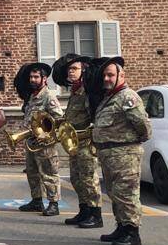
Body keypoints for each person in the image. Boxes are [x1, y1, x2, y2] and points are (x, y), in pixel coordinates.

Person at [92, 57, 151, 245]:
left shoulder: (128, 97)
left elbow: (143, 126)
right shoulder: (110, 97)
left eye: (111, 75)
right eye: (105, 75)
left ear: (121, 75)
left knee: (127, 194)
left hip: (125, 154)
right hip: (109, 155)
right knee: (115, 193)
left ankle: (132, 233)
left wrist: (133, 141)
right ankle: (121, 227)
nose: (107, 79)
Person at [53, 54, 103, 228]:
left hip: (86, 143)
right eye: (69, 69)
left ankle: (95, 214)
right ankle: (84, 210)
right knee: (75, 178)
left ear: (84, 71)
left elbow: (94, 117)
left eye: (74, 69)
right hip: (74, 143)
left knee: (89, 179)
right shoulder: (74, 91)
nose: (70, 72)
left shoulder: (87, 91)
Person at [16, 61, 64, 216]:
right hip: (31, 142)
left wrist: (45, 135)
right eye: (31, 77)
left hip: (44, 144)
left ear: (44, 79)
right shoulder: (32, 96)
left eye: (36, 77)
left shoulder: (48, 96)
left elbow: (58, 119)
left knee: (49, 172)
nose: (32, 80)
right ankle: (36, 200)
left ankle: (53, 203)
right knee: (33, 172)